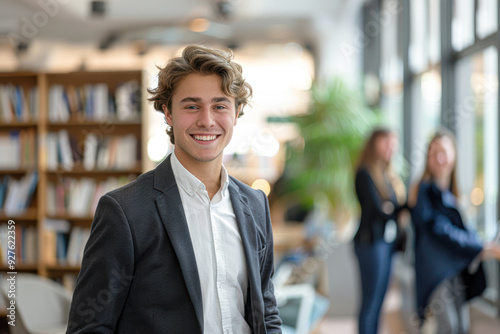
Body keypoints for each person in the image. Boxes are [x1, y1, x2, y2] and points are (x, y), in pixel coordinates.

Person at [66, 45, 282, 334]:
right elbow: (89, 327)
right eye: (192, 106)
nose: (206, 120)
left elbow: (265, 312)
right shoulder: (125, 211)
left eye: (219, 105)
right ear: (167, 113)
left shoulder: (255, 204)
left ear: (237, 112)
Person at [410, 128, 500, 333]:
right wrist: (480, 246)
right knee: (449, 326)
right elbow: (440, 229)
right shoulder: (424, 190)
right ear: (428, 158)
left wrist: (482, 245)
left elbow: (459, 229)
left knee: (461, 326)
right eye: (434, 153)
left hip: (454, 270)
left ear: (454, 155)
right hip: (436, 273)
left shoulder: (450, 192)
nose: (439, 158)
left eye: (444, 152)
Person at [353, 128, 407, 334]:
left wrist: (390, 207)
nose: (390, 148)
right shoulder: (365, 173)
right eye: (386, 143)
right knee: (370, 303)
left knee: (379, 303)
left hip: (386, 244)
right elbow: (376, 210)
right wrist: (391, 208)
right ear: (374, 144)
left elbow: (391, 207)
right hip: (370, 243)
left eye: (393, 143)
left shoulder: (387, 175)